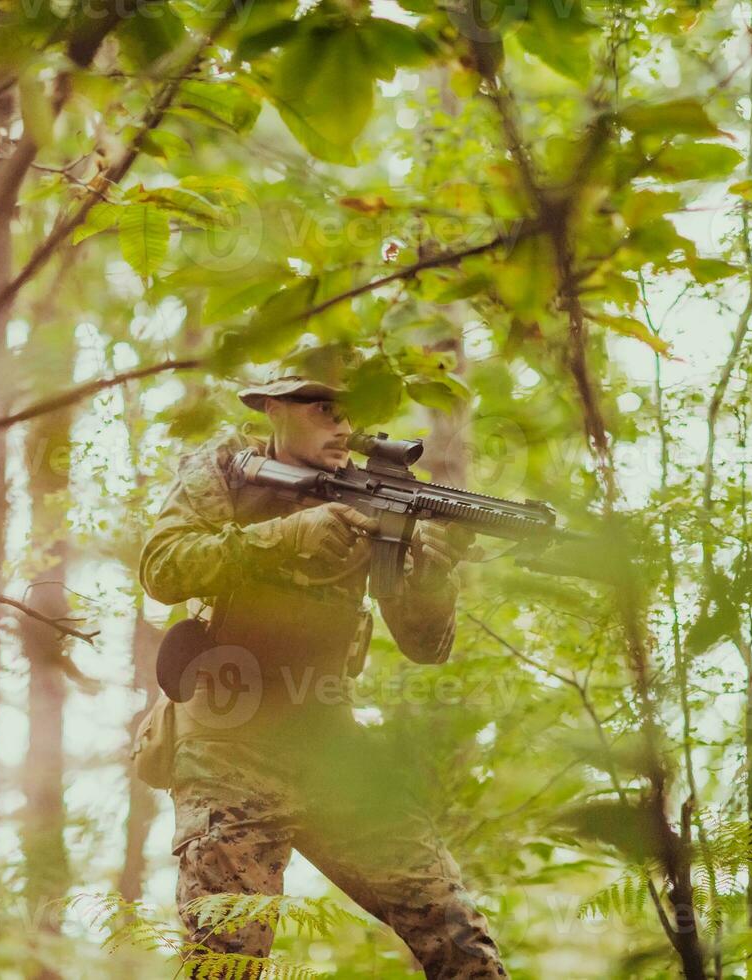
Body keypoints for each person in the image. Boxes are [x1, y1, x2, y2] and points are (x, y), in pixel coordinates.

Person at [137, 374, 508, 979]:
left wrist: (435, 578)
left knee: (455, 932)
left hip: (330, 744)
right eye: (326, 410)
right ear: (273, 409)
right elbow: (163, 568)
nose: (344, 426)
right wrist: (286, 535)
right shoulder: (226, 470)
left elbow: (424, 646)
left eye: (354, 413)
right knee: (227, 958)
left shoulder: (377, 492)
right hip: (230, 747)